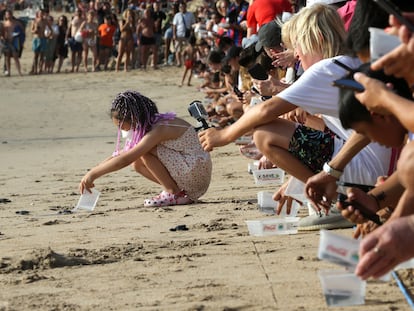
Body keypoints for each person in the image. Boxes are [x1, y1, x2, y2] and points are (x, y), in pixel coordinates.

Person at [199, 4, 394, 230]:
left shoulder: (325, 69)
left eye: (298, 47)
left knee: (265, 133)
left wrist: (222, 136)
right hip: (381, 167)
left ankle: (333, 198)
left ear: (317, 39)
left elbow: (264, 111)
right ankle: (335, 191)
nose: (298, 55)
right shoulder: (347, 63)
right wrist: (295, 184)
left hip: (367, 170)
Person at [79, 90, 212, 207]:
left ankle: (174, 193)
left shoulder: (160, 128)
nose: (122, 131)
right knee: (137, 163)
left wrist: (92, 175)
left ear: (134, 119)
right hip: (192, 170)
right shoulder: (150, 124)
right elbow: (120, 155)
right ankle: (177, 191)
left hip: (195, 171)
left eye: (122, 127)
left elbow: (125, 159)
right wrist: (91, 173)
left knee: (142, 153)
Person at [172, 2, 195, 67]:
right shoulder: (177, 15)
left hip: (187, 34)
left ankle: (188, 62)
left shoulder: (190, 14)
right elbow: (174, 25)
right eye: (181, 7)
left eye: (183, 7)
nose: (182, 8)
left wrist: (192, 33)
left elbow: (193, 24)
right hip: (179, 34)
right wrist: (174, 34)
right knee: (178, 49)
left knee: (189, 49)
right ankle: (179, 62)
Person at [1, 9, 22, 76]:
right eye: (7, 15)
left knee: (15, 57)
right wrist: (2, 38)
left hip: (14, 41)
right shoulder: (4, 24)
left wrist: (19, 36)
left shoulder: (16, 23)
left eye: (9, 14)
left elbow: (21, 31)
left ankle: (19, 72)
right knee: (7, 57)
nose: (8, 16)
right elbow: (2, 33)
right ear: (5, 16)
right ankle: (8, 71)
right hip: (7, 41)